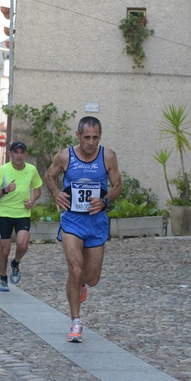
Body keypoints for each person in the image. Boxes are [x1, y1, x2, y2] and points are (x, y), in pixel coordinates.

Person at [44, 116, 122, 342]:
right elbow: (50, 176)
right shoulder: (65, 156)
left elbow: (118, 185)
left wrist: (105, 201)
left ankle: (81, 285)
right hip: (72, 222)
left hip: (96, 223)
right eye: (86, 137)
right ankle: (75, 322)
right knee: (75, 269)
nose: (90, 142)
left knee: (92, 277)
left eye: (95, 137)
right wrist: (56, 193)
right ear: (78, 135)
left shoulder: (108, 157)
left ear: (100, 136)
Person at [0, 141, 43, 292]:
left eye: (22, 152)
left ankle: (16, 262)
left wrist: (32, 200)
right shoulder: (3, 170)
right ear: (10, 154)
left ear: (25, 154)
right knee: (4, 250)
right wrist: (5, 190)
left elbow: (38, 189)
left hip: (23, 213)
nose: (19, 155)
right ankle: (3, 277)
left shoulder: (31, 170)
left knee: (22, 244)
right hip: (4, 213)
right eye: (16, 152)